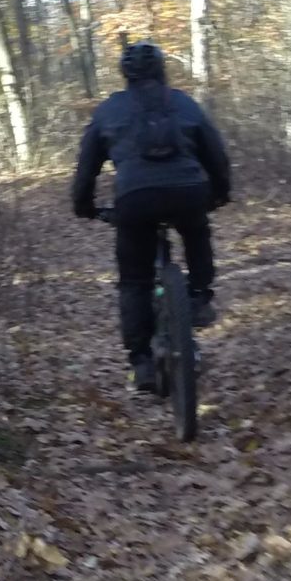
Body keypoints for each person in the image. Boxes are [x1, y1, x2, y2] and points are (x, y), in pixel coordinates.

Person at [71, 42, 232, 393]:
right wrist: (220, 192)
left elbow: (86, 168)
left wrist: (83, 205)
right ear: (162, 70)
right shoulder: (184, 103)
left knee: (134, 281)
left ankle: (141, 362)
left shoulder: (108, 110)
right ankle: (200, 297)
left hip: (134, 198)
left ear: (125, 76)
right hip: (188, 189)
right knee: (196, 230)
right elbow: (216, 153)